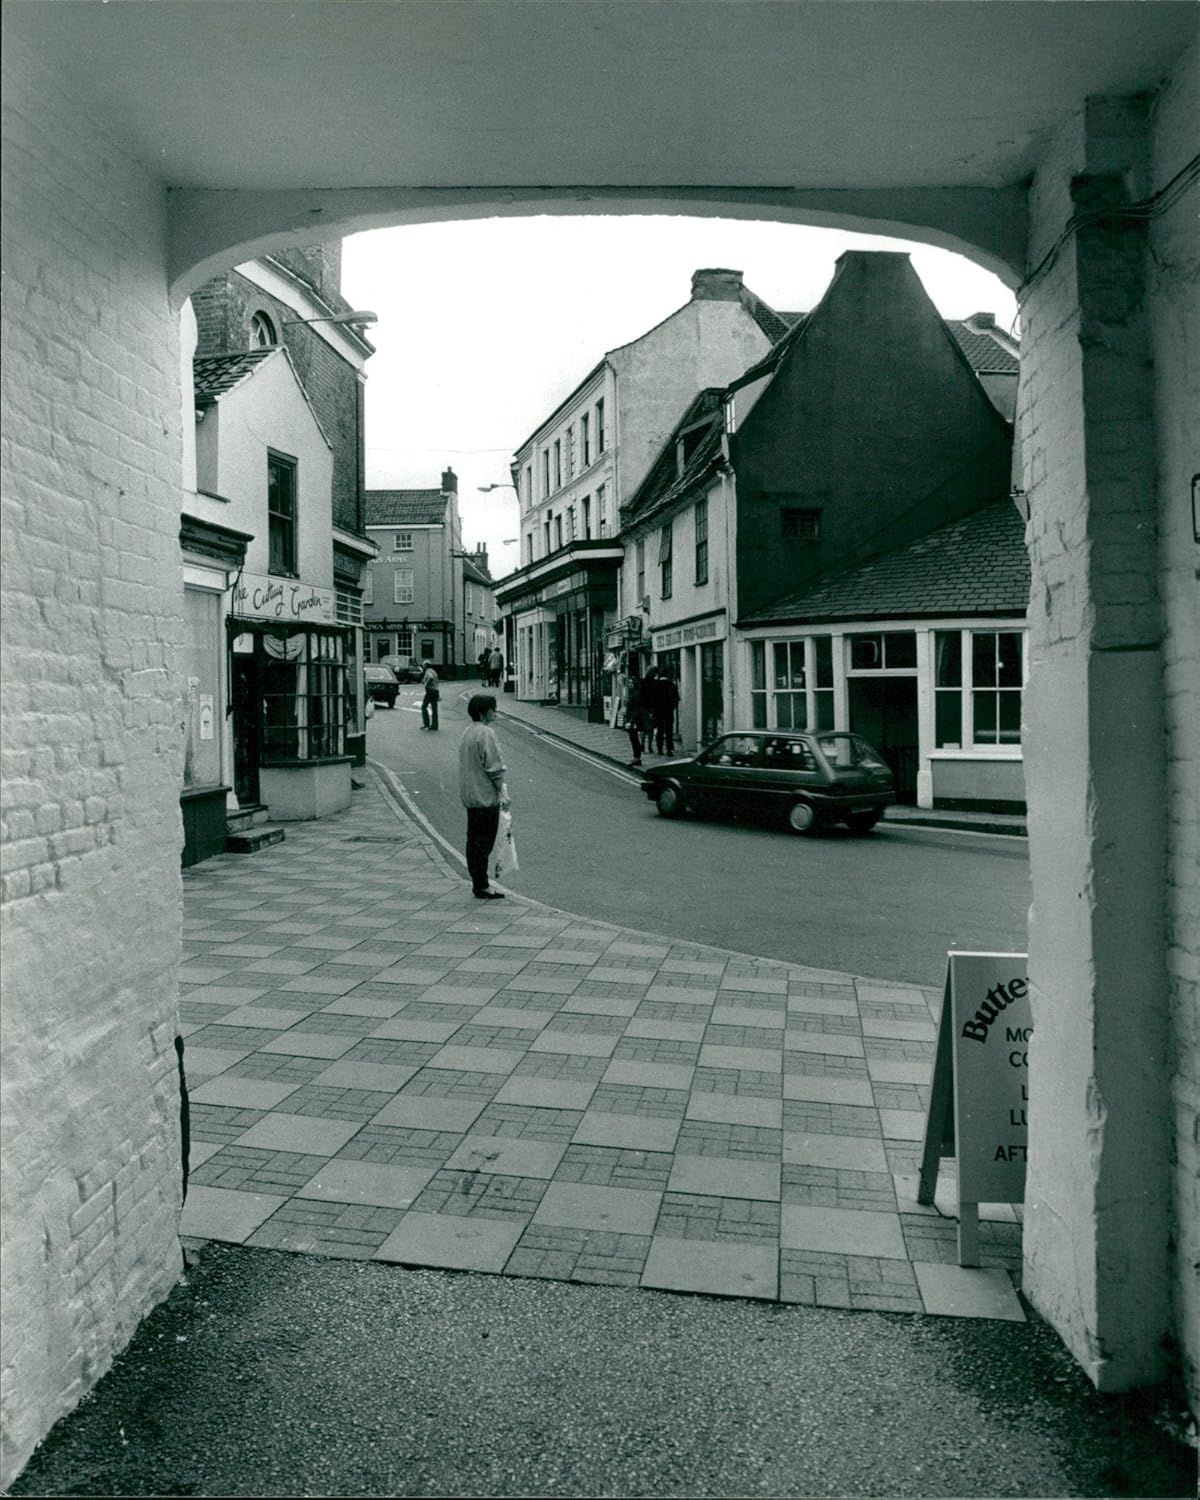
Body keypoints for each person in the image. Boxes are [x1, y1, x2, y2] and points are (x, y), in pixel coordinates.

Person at [459, 693, 508, 899]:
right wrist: (503, 792)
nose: (495, 712)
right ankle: (482, 885)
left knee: (473, 841)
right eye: (492, 709)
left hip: (471, 797)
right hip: (485, 798)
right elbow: (494, 767)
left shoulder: (467, 732)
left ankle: (478, 882)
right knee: (484, 843)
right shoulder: (486, 733)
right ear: (483, 712)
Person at [652, 671, 679, 755]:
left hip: (658, 712)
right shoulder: (672, 685)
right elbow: (677, 698)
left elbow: (651, 699)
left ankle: (660, 749)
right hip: (668, 711)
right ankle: (669, 750)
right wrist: (672, 707)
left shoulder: (655, 685)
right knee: (669, 731)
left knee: (660, 730)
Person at [623, 670, 646, 769]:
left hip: (634, 721)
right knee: (634, 739)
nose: (630, 684)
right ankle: (637, 758)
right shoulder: (634, 693)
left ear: (635, 683)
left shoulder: (636, 694)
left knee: (634, 739)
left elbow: (636, 709)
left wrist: (631, 721)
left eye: (631, 683)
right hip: (634, 720)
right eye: (629, 683)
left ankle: (637, 758)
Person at [420, 660, 440, 730]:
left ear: (426, 665)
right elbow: (436, 680)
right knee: (434, 709)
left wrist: (425, 684)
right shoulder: (434, 671)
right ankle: (435, 725)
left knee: (423, 706)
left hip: (430, 691)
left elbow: (430, 677)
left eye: (423, 665)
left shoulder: (428, 671)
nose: (423, 666)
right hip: (436, 691)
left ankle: (426, 724)